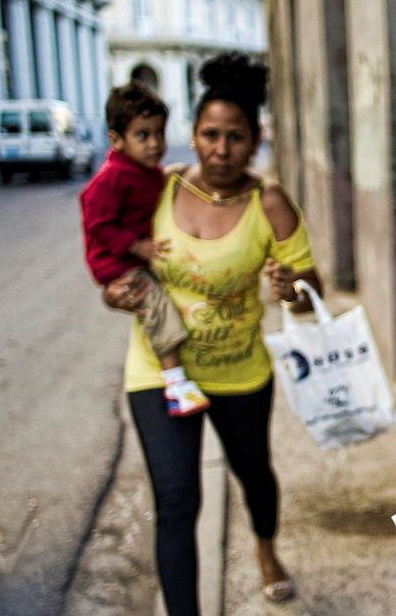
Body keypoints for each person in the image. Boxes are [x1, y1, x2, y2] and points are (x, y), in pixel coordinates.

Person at [103, 52, 322, 615]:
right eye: (209, 135)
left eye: (236, 137)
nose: (220, 150)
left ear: (255, 141)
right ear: (193, 136)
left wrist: (289, 286)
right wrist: (113, 290)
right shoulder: (160, 188)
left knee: (254, 474)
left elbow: (309, 289)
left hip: (240, 373)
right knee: (176, 499)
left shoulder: (267, 202)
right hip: (159, 370)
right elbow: (111, 250)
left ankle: (266, 549)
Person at [80, 81, 209, 417]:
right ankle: (176, 385)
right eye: (143, 135)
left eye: (160, 134)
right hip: (117, 263)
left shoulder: (144, 170)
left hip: (131, 258)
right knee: (158, 306)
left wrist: (170, 176)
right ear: (116, 139)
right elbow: (98, 224)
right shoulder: (111, 178)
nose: (155, 144)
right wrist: (137, 247)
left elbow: (151, 188)